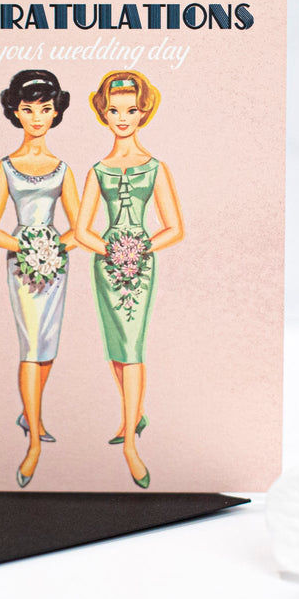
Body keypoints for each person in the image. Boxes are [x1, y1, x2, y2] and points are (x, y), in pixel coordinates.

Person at [75, 71, 184, 488]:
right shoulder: (97, 171)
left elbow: (174, 228)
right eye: (114, 110)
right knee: (115, 346)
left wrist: (139, 249)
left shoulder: (155, 168)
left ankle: (131, 446)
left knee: (133, 346)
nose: (123, 118)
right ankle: (132, 415)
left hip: (140, 264)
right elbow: (82, 230)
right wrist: (109, 250)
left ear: (143, 113)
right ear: (104, 114)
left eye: (131, 110)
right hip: (106, 265)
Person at [0, 70, 79, 488]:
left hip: (55, 265)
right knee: (30, 345)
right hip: (22, 266)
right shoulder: (6, 168)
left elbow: (79, 228)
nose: (37, 117)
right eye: (28, 109)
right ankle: (34, 440)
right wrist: (26, 247)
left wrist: (53, 248)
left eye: (45, 109)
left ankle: (29, 413)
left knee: (48, 346)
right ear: (15, 113)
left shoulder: (62, 169)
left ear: (56, 113)